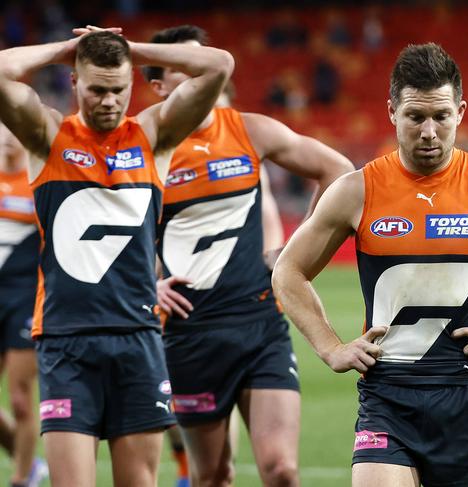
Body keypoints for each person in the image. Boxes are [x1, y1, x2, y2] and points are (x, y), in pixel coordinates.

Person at [272, 42, 468, 487]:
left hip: (466, 395)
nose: (429, 131)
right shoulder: (357, 191)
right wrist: (330, 346)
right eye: (415, 117)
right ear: (391, 112)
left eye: (441, 116)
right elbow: (288, 270)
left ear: (460, 111)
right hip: (387, 396)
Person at [0, 26, 234, 487]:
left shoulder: (153, 135)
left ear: (132, 85)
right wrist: (68, 50)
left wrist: (132, 48)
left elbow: (220, 64)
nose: (108, 101)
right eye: (96, 90)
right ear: (73, 82)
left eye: (118, 90)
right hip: (66, 340)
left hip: (137, 337)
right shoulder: (47, 136)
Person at [145, 25, 354, 487]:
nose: (200, 75)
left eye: (204, 64)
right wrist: (146, 283)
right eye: (185, 69)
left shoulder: (249, 130)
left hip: (260, 323)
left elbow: (337, 169)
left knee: (281, 470)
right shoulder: (144, 148)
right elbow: (109, 231)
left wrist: (295, 254)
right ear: (158, 87)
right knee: (212, 476)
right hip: (189, 331)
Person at [0, 123, 48, 487]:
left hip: (24, 298)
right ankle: (27, 460)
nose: (6, 137)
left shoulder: (38, 181)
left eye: (13, 130)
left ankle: (22, 478)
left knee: (19, 399)